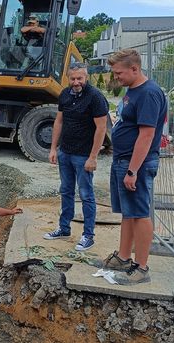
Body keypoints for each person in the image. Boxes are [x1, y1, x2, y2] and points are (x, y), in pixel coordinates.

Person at [103, 49, 167, 285]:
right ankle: (123, 257)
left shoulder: (149, 94)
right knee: (129, 213)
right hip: (124, 160)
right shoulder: (133, 90)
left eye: (119, 73)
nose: (116, 77)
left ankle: (141, 267)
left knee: (140, 214)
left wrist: (133, 170)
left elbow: (147, 135)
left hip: (136, 163)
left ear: (134, 69)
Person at [45, 62, 109, 251]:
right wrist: (53, 149)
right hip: (65, 152)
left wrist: (93, 157)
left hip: (83, 156)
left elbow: (101, 128)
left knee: (86, 195)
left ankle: (88, 235)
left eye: (79, 78)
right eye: (72, 78)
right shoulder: (65, 94)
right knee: (65, 191)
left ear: (86, 77)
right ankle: (64, 228)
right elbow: (59, 122)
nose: (76, 82)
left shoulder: (95, 97)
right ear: (68, 78)